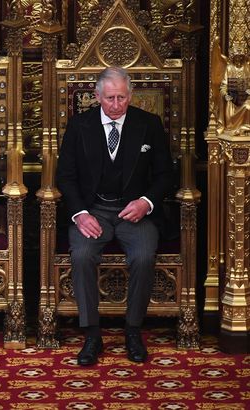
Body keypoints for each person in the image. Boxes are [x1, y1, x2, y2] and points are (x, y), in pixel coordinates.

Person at [56, 67, 173, 366]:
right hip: (93, 210)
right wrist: (80, 214)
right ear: (97, 96)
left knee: (144, 256)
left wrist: (146, 202)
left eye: (122, 97)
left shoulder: (149, 124)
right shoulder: (79, 125)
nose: (116, 104)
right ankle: (91, 334)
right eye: (110, 98)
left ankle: (133, 330)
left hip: (134, 212)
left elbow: (165, 175)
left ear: (130, 96)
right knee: (82, 255)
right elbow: (65, 176)